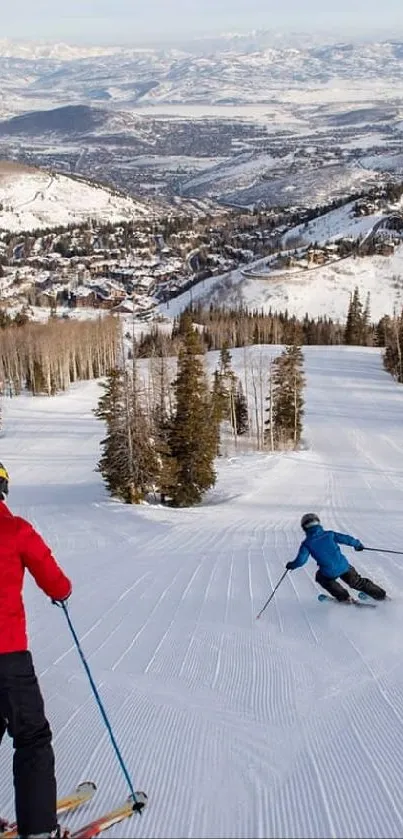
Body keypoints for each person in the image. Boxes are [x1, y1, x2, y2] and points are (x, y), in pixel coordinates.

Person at [0, 463, 72, 839]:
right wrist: (62, 592)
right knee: (31, 738)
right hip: (8, 657)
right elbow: (52, 577)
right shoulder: (15, 530)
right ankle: (40, 830)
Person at [286, 513, 387, 602]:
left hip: (328, 572)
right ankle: (381, 596)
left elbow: (301, 561)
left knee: (322, 578)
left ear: (304, 528)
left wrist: (291, 565)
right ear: (318, 523)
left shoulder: (307, 544)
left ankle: (345, 598)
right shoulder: (329, 534)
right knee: (357, 582)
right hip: (344, 566)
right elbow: (346, 539)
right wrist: (358, 545)